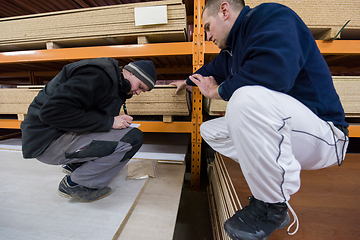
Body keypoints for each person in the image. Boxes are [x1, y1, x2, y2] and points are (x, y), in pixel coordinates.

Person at [171, 0, 349, 239]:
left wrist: (218, 92)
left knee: (245, 99)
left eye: (208, 26)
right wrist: (188, 81)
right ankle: (273, 186)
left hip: (326, 135)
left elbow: (273, 73)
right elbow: (210, 69)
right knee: (210, 130)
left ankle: (271, 209)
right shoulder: (232, 51)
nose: (208, 35)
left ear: (224, 10)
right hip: (292, 133)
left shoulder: (271, 17)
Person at [21, 57, 157, 202]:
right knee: (133, 138)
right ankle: (77, 184)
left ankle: (76, 166)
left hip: (53, 134)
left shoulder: (113, 84)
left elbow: (87, 110)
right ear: (131, 73)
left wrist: (114, 120)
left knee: (120, 132)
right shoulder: (96, 76)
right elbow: (52, 113)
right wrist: (109, 122)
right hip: (47, 142)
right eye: (141, 87)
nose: (138, 93)